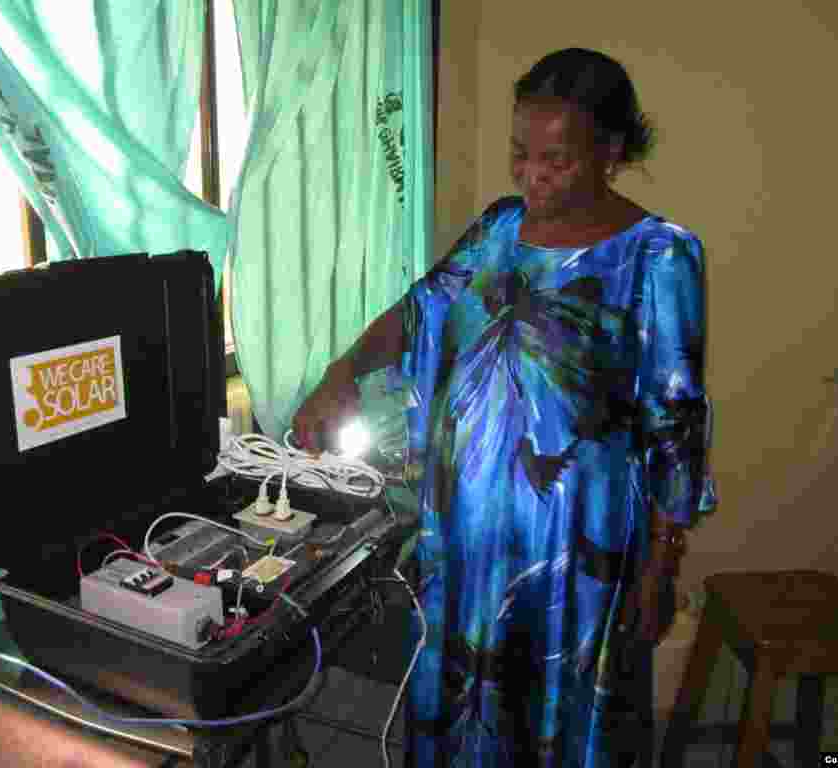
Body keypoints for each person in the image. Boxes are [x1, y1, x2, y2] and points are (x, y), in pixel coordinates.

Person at [293, 47, 715, 767]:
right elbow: (420, 309)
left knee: (563, 714)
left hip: (577, 547)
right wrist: (343, 372)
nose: (532, 175)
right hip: (466, 530)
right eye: (521, 153)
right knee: (466, 714)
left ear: (610, 151)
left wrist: (661, 567)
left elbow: (675, 420)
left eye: (558, 159)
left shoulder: (659, 256)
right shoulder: (497, 227)